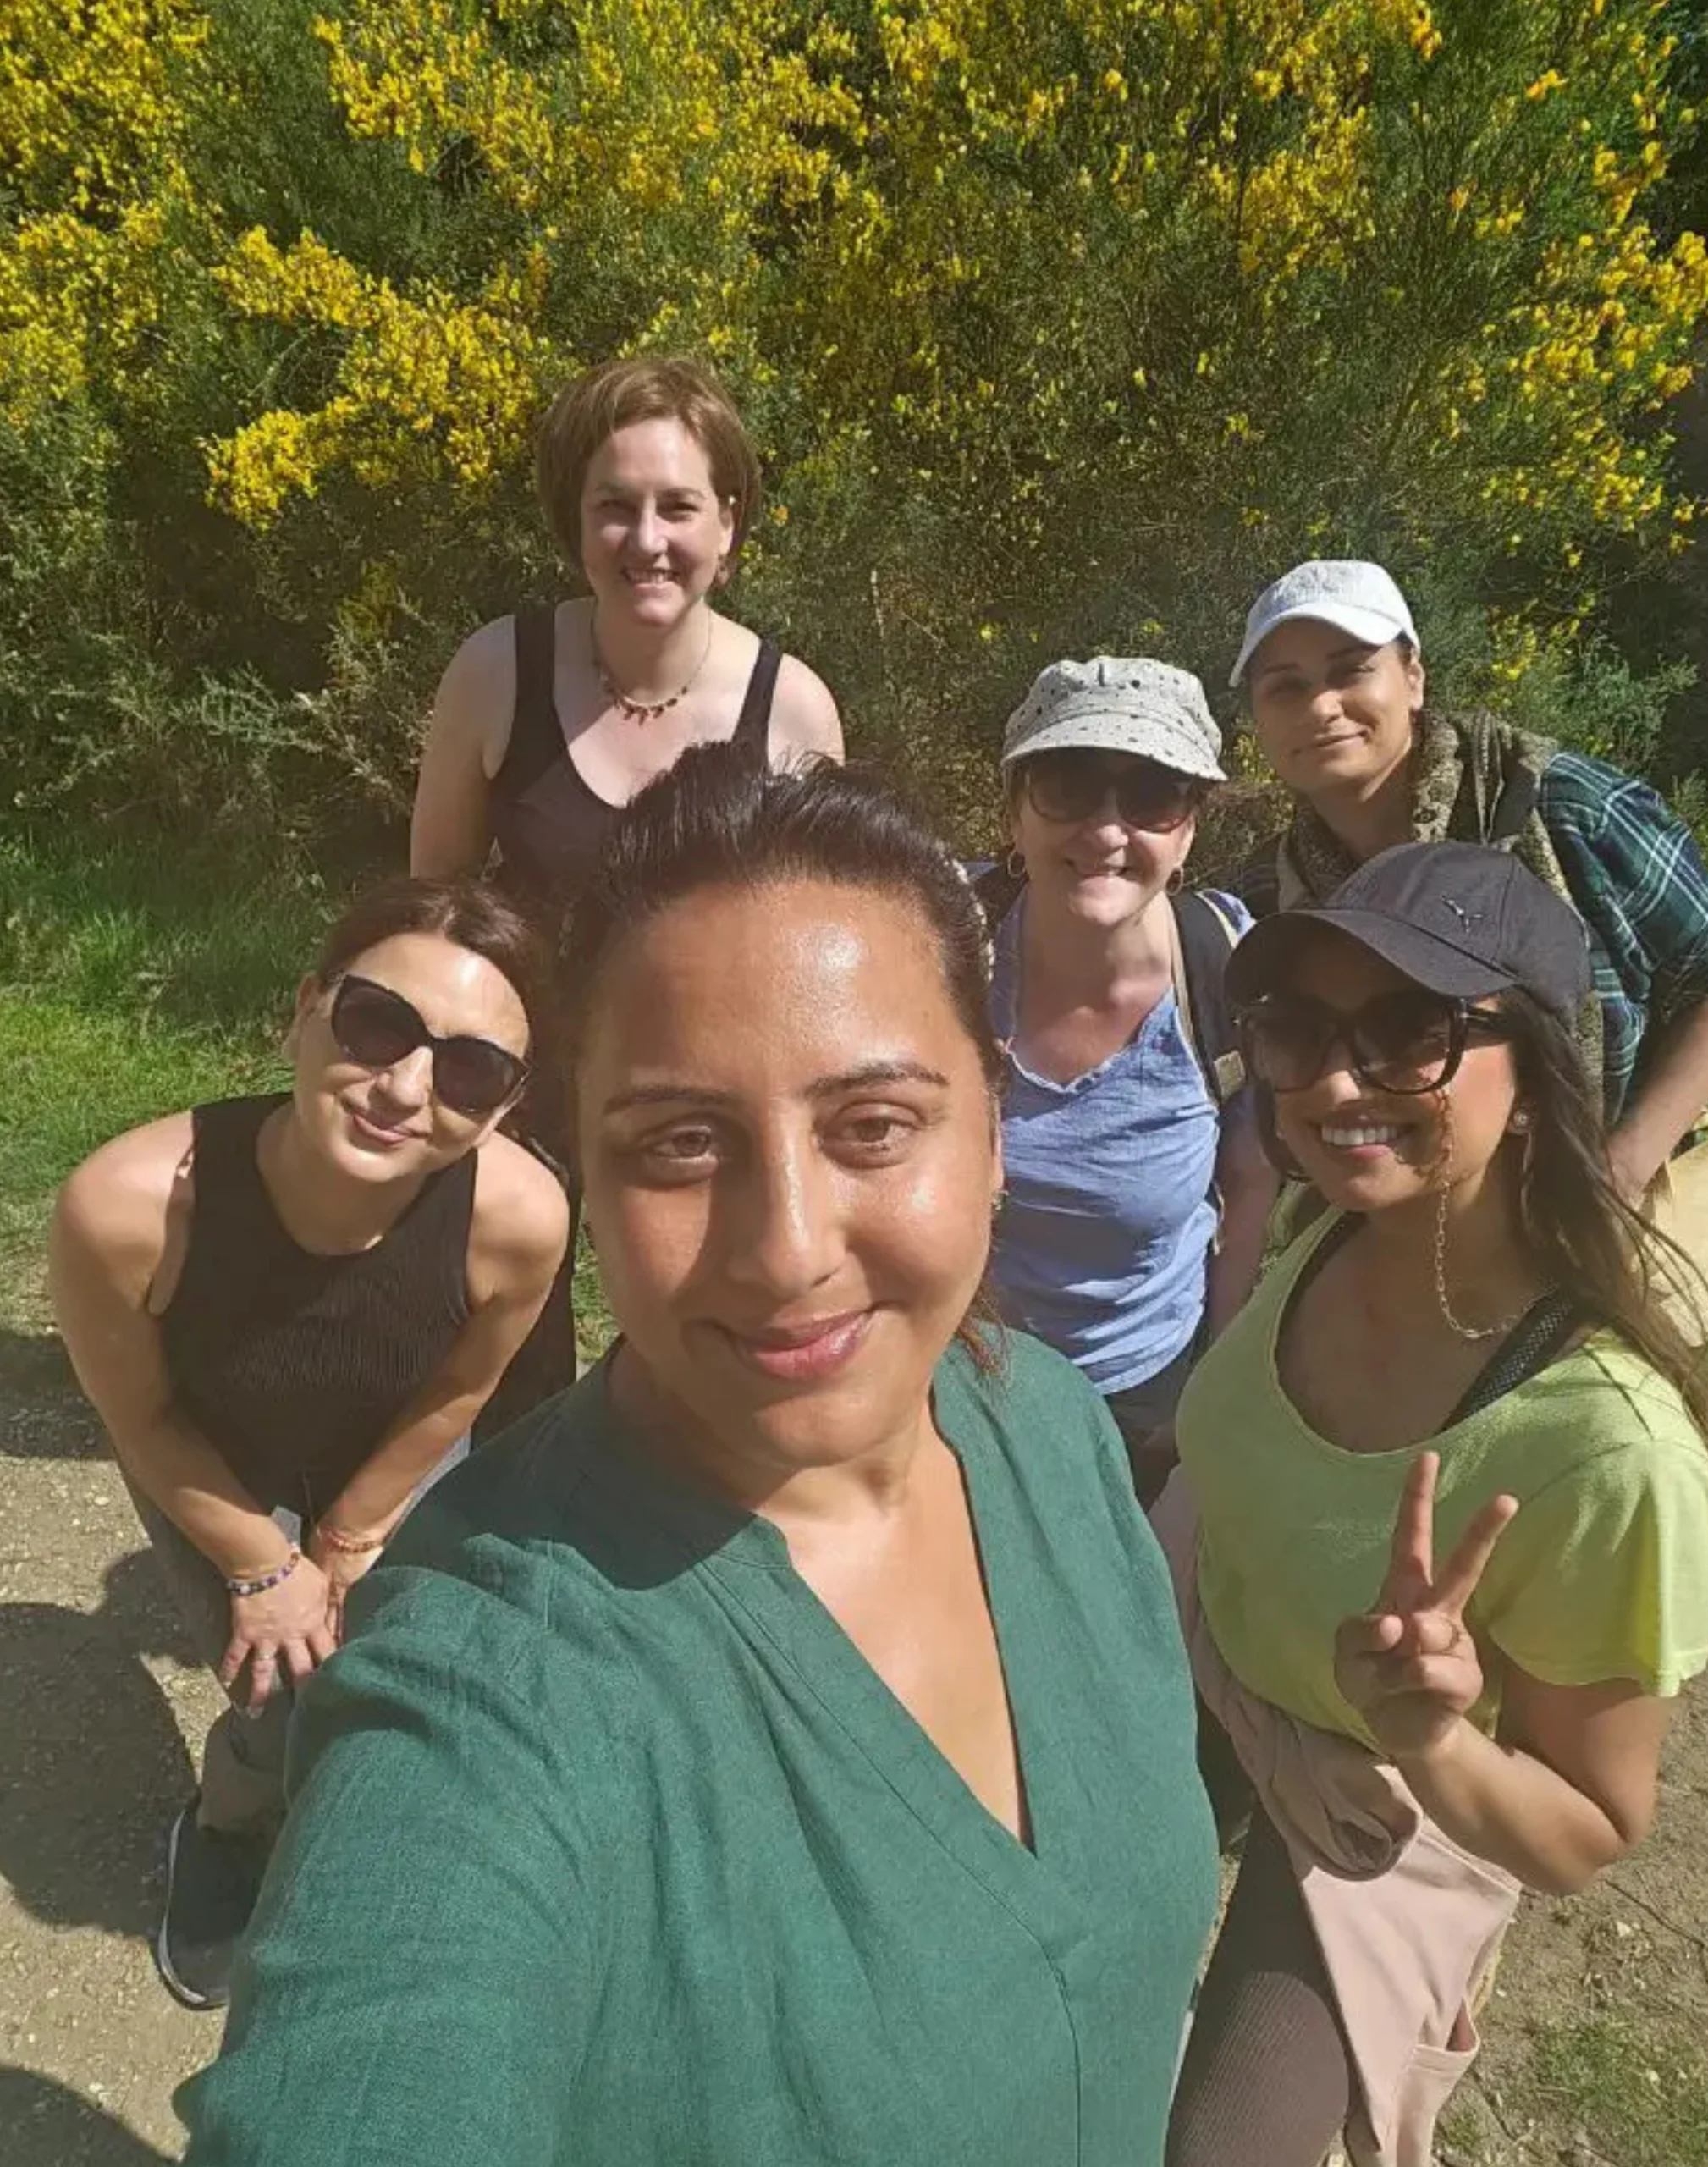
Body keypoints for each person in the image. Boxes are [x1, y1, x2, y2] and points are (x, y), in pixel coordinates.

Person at [178, 747, 1219, 2166]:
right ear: (583, 1180)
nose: (785, 1250)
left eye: (872, 1126)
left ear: (993, 1131)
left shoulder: (1044, 1427)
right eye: (677, 1144)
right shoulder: (490, 1676)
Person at [1160, 840, 1708, 2167]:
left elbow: (1586, 1833)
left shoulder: (1609, 1455)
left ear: (1534, 1078)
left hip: (1376, 1801)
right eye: (1298, 1029)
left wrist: (1435, 1739)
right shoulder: (1335, 1226)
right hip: (1203, 1653)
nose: (1332, 1082)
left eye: (1412, 1033)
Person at [47, 878, 570, 2014]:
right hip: (213, 1461)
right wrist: (262, 1564)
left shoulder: (519, 1217)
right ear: (305, 1009)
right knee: (276, 1691)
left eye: (470, 1070)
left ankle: (367, 1841)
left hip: (392, 1451)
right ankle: (228, 1832)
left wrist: (347, 1536)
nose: (406, 1087)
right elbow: (142, 1418)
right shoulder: (128, 1208)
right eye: (378, 1023)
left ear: (503, 1106)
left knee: (406, 1667)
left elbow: (461, 1387)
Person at [410, 353, 845, 1425]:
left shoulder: (789, 707)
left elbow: (817, 940)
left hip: (709, 1086)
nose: (646, 539)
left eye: (677, 507)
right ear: (575, 523)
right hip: (522, 1085)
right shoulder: (495, 672)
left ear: (728, 525)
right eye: (614, 506)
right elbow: (433, 907)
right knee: (506, 1366)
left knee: (709, 1349)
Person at [1230, 558, 1708, 1199]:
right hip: (1413, 1224)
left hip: (1610, 1206)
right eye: (1286, 687)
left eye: (1350, 671)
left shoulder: (1562, 806)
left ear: (1413, 679)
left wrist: (1623, 1169)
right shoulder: (1272, 890)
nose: (1322, 707)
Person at [980, 657, 1279, 1498]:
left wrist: (1212, 1396)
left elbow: (1250, 1191)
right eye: (1067, 787)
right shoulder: (941, 942)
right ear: (1014, 810)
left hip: (1145, 1396)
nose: (1107, 830)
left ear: (1188, 831)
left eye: (1151, 795)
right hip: (959, 1376)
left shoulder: (1224, 968)